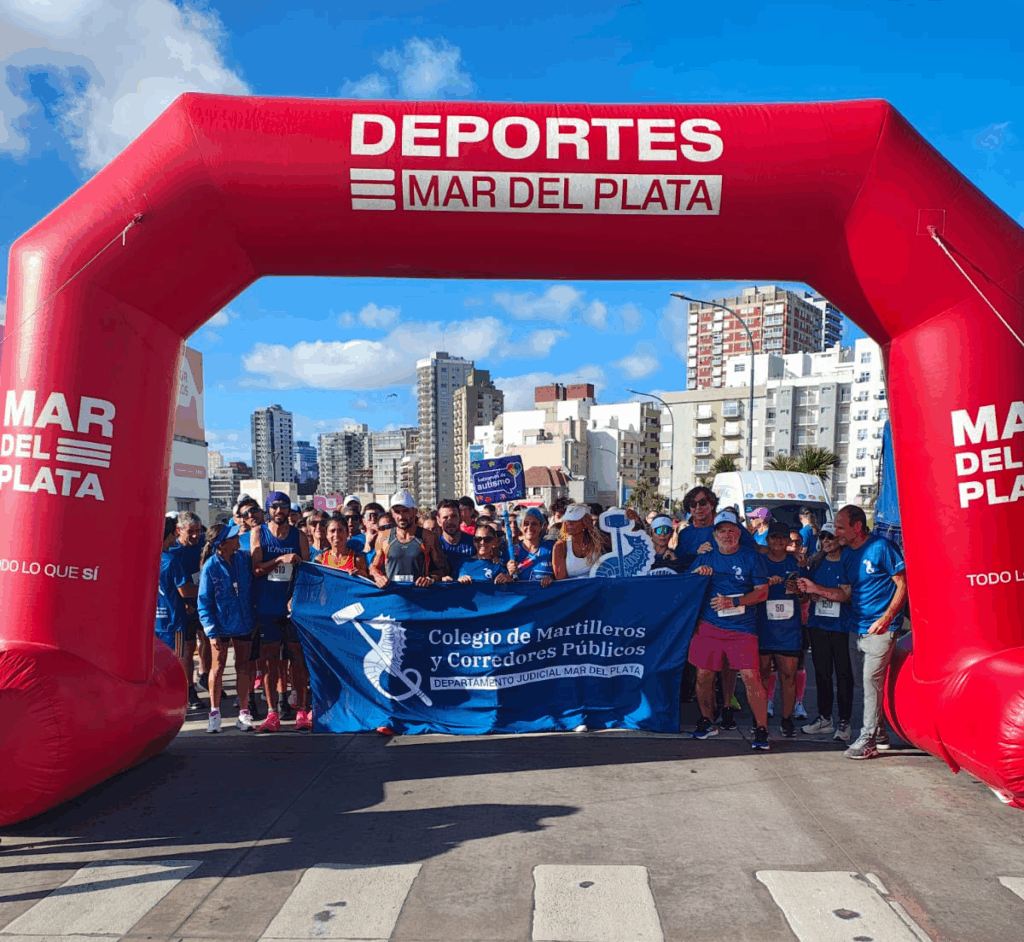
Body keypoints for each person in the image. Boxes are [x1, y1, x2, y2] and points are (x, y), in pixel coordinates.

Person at [688, 510, 771, 749]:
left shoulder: (751, 558)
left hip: (742, 628)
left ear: (739, 533)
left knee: (750, 677)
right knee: (703, 675)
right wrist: (696, 574)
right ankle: (707, 720)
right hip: (709, 626)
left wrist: (734, 602)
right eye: (722, 531)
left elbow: (762, 592)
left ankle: (761, 729)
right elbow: (685, 586)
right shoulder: (706, 556)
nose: (727, 535)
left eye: (732, 531)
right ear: (714, 535)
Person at [831, 504, 908, 760]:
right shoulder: (847, 555)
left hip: (881, 629)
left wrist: (887, 619)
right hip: (857, 627)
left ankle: (868, 739)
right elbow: (846, 593)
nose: (835, 531)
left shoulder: (882, 547)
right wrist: (814, 588)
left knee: (870, 682)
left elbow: (902, 585)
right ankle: (881, 733)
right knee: (865, 685)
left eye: (840, 526)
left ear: (857, 526)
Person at [251, 490, 312, 732]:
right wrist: (279, 560)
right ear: (268, 509)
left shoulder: (299, 535)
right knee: (271, 663)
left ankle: (301, 712)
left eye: (283, 507)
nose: (279, 511)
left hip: (291, 608)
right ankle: (272, 713)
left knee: (297, 660)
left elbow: (307, 572)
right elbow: (256, 570)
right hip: (266, 606)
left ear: (289, 510)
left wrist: (297, 597)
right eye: (274, 507)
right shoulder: (259, 533)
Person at [796, 521, 854, 742]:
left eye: (830, 537)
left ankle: (844, 722)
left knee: (843, 675)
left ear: (840, 539)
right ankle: (825, 718)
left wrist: (819, 591)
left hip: (842, 627)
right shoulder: (816, 563)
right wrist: (811, 592)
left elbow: (845, 595)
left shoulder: (848, 561)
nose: (826, 541)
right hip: (818, 624)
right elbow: (810, 593)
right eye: (822, 537)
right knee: (822, 674)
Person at [197, 524, 256, 733]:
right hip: (220, 625)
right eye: (232, 537)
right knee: (218, 666)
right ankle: (214, 713)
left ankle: (244, 712)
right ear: (222, 544)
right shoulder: (211, 566)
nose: (237, 538)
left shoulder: (243, 558)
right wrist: (211, 631)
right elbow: (204, 601)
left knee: (243, 667)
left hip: (244, 622)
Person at [756, 522, 805, 738]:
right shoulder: (758, 563)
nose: (778, 541)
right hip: (762, 627)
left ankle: (787, 720)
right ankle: (761, 720)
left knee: (789, 676)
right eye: (774, 537)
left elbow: (806, 597)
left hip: (789, 629)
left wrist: (799, 591)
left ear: (788, 541)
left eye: (782, 538)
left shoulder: (797, 565)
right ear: (767, 540)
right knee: (762, 675)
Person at [169, 511, 208, 711]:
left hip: (204, 602)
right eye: (190, 532)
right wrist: (184, 601)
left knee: (209, 642)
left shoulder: (202, 544)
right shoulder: (172, 551)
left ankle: (205, 676)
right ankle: (188, 689)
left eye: (198, 531)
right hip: (184, 606)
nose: (195, 536)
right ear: (178, 531)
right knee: (187, 648)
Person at [369, 491, 449, 588]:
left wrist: (430, 579)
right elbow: (373, 567)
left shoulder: (428, 537)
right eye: (397, 512)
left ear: (414, 512)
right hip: (394, 596)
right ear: (392, 514)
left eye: (405, 511)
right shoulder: (383, 537)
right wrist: (379, 577)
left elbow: (443, 569)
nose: (401, 516)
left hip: (420, 596)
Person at [675, 486, 756, 568]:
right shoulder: (684, 534)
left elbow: (752, 550)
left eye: (702, 503)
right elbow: (679, 563)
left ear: (712, 505)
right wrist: (696, 554)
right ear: (689, 508)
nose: (698, 507)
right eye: (693, 504)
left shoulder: (731, 526)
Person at [156, 517, 191, 703]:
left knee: (156, 663)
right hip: (172, 621)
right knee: (178, 662)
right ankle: (177, 699)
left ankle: (160, 697)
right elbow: (184, 590)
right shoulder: (170, 560)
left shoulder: (145, 557)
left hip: (153, 623)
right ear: (169, 536)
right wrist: (201, 589)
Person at [553, 504, 603, 580]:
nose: (569, 523)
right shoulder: (560, 546)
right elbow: (561, 581)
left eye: (574, 520)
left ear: (585, 523)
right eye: (567, 520)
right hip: (574, 591)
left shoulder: (598, 543)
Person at [508, 507, 555, 586]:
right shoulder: (511, 551)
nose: (529, 527)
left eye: (534, 524)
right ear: (521, 527)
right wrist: (508, 574)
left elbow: (562, 578)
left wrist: (553, 580)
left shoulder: (551, 548)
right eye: (526, 524)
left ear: (541, 526)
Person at [437, 498, 475, 578]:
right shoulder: (434, 545)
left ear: (460, 518)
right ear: (438, 521)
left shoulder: (474, 543)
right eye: (445, 518)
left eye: (453, 516)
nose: (450, 521)